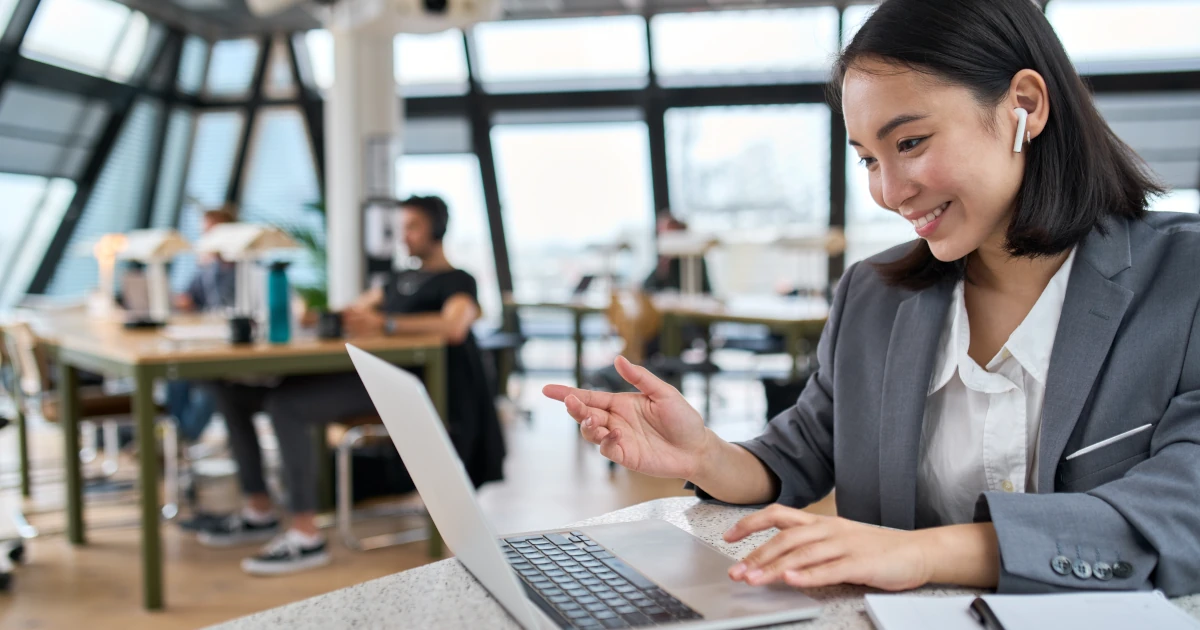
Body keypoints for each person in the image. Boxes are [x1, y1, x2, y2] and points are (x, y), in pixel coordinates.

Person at [545, 0, 1200, 597]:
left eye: (909, 142)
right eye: (867, 159)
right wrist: (704, 455)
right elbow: (801, 453)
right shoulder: (874, 293)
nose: (888, 191)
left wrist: (922, 554)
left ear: (1023, 105)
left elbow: (1182, 515)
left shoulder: (1185, 278)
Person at [194, 195, 505, 576]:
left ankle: (306, 536)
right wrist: (310, 314)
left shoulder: (457, 280)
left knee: (285, 405)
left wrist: (387, 324)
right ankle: (258, 509)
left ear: (436, 231)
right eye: (400, 228)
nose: (403, 236)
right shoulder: (397, 279)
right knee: (233, 392)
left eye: (412, 227)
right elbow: (356, 310)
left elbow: (455, 326)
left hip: (404, 384)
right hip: (367, 372)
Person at [167, 206, 237, 444]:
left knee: (211, 388)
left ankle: (183, 438)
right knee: (175, 377)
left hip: (231, 352)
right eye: (204, 232)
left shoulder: (247, 269)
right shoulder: (208, 270)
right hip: (207, 345)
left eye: (211, 231)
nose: (206, 238)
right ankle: (177, 436)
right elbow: (187, 299)